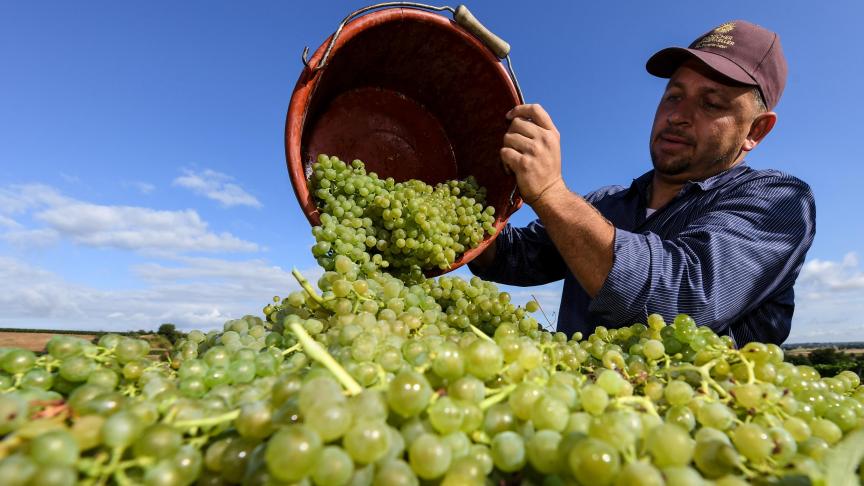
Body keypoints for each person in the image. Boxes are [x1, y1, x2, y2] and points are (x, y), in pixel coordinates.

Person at [469, 20, 816, 345]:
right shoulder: (605, 203)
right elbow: (511, 258)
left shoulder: (779, 202)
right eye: (674, 96)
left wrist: (549, 193)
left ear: (755, 130)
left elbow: (677, 300)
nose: (678, 116)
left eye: (711, 104)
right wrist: (469, 196)